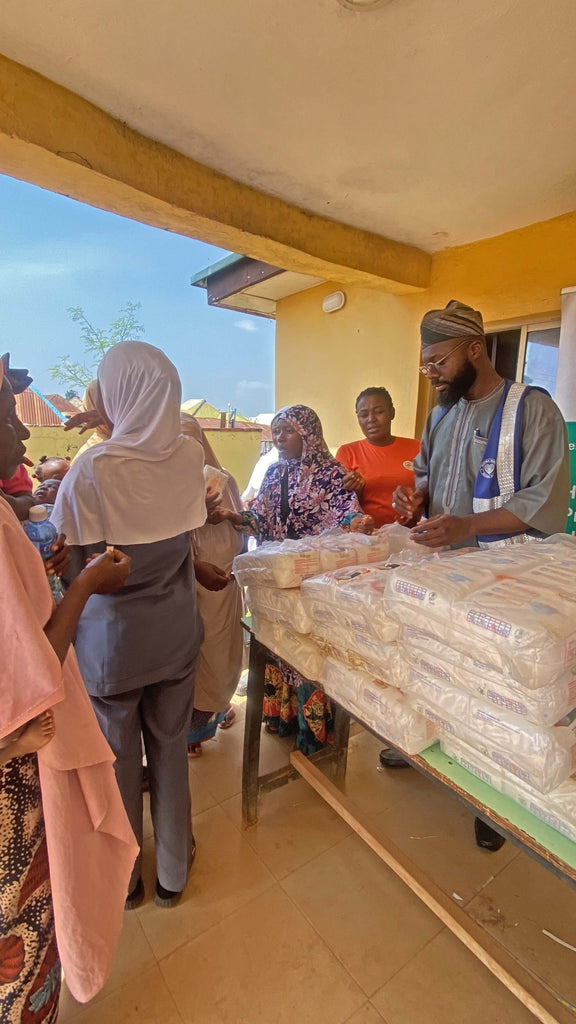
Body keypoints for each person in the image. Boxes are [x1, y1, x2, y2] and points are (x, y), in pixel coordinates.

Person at [392, 298, 570, 850]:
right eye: (425, 364)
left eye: (438, 361)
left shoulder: (532, 408)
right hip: (444, 568)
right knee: (435, 663)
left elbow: (543, 502)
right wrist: (412, 500)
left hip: (509, 580)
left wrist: (468, 526)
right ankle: (421, 738)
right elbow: (424, 475)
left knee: (494, 690)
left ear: (475, 348)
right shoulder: (442, 411)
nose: (431, 373)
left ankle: (493, 799)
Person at [0, 354, 137, 1020]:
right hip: (13, 776)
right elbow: (29, 673)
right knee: (21, 942)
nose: (24, 431)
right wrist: (81, 584)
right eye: (6, 414)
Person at [52, 340, 207, 910]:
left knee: (118, 761)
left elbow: (73, 566)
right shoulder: (189, 457)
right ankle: (173, 875)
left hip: (112, 649)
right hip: (175, 636)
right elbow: (186, 536)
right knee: (169, 750)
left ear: (116, 395)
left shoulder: (93, 468)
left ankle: (128, 883)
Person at [211, 404, 373, 752]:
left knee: (308, 653)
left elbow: (349, 517)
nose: (279, 437)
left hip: (312, 583)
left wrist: (357, 524)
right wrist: (232, 516)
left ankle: (314, 732)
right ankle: (282, 718)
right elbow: (259, 517)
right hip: (275, 581)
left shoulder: (332, 474)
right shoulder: (273, 474)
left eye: (287, 430)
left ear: (308, 434)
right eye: (277, 430)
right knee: (278, 647)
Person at [179, 414, 245, 755]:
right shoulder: (170, 486)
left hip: (224, 581)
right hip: (188, 583)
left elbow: (245, 526)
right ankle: (195, 731)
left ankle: (220, 705)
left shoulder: (226, 480)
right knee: (196, 658)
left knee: (222, 659)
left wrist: (227, 516)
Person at [336, 387, 420, 527]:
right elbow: (339, 506)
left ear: (392, 412)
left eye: (379, 412)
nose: (371, 420)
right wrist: (356, 490)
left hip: (410, 534)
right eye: (363, 415)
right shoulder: (347, 452)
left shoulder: (417, 447)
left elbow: (430, 492)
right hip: (366, 538)